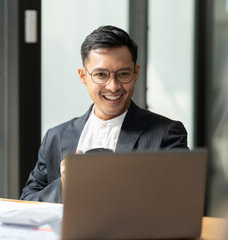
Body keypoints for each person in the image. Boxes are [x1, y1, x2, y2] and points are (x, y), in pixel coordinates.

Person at [20, 25, 188, 203]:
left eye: (123, 74)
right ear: (83, 76)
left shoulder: (166, 134)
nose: (113, 86)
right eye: (101, 75)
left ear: (136, 73)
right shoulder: (55, 137)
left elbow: (185, 199)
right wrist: (64, 185)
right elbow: (27, 201)